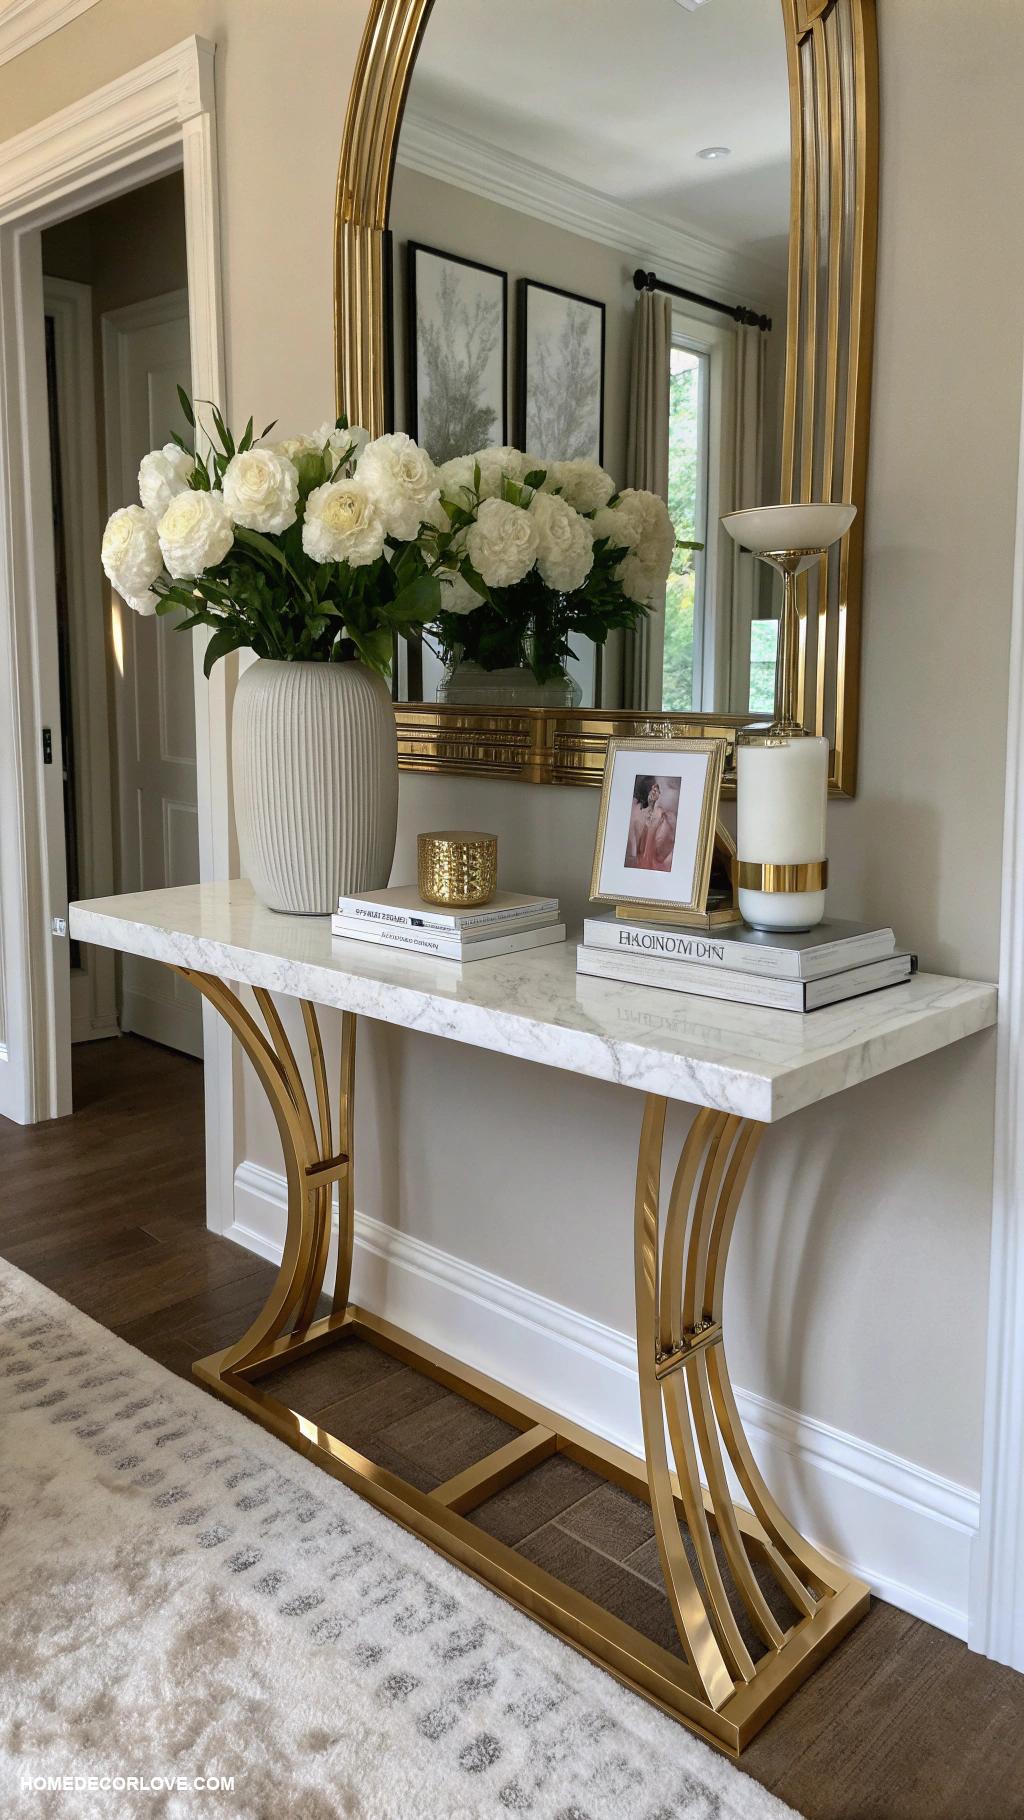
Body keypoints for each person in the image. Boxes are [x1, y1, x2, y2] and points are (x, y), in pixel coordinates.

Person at [625, 776, 677, 873]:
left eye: (656, 792)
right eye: (653, 792)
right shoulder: (638, 813)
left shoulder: (662, 814)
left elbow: (661, 851)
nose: (654, 794)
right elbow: (637, 848)